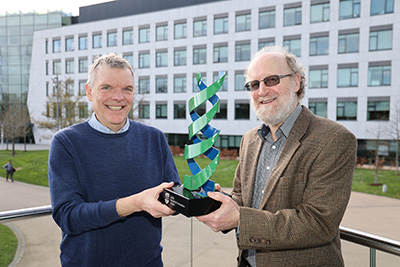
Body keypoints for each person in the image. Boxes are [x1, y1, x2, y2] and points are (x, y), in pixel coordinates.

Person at [197, 45, 357, 266]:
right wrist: (221, 203)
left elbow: (319, 223)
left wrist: (240, 219)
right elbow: (242, 198)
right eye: (254, 84)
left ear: (296, 82)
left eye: (271, 80)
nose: (262, 91)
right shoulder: (249, 140)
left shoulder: (333, 139)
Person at [48, 53, 180, 267]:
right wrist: (135, 203)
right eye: (107, 87)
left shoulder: (153, 138)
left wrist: (200, 197)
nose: (118, 97)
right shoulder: (66, 142)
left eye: (127, 89)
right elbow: (68, 216)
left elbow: (172, 192)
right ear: (89, 92)